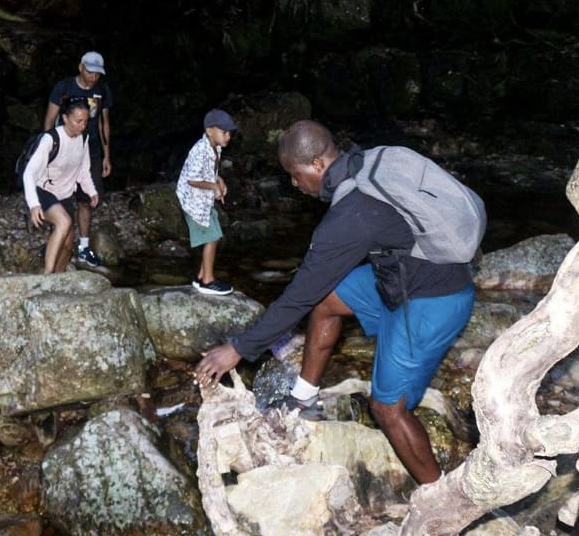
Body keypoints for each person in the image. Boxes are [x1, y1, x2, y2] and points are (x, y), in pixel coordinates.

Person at [193, 119, 476, 484]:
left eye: (294, 175)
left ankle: (440, 499)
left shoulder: (350, 217)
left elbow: (297, 298)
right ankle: (304, 397)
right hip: (406, 272)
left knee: (387, 408)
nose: (294, 184)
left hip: (431, 299)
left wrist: (238, 348)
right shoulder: (368, 163)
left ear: (316, 165)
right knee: (328, 299)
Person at [43, 51, 113, 271]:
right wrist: (47, 151)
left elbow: (104, 123)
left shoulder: (101, 91)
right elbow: (49, 119)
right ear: (81, 67)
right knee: (57, 196)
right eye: (90, 71)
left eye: (97, 74)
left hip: (90, 152)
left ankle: (83, 248)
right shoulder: (63, 88)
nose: (93, 77)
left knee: (86, 200)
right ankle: (57, 238)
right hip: (63, 151)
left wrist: (106, 155)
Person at [23, 96, 99, 273]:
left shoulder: (83, 138)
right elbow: (29, 173)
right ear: (65, 118)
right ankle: (47, 276)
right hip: (43, 191)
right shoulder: (51, 139)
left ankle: (59, 276)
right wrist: (34, 205)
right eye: (78, 121)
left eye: (86, 121)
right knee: (63, 223)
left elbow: (83, 170)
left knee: (68, 243)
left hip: (64, 194)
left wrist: (91, 191)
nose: (83, 125)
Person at [176, 109, 238, 296]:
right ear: (210, 130)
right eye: (224, 132)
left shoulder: (215, 148)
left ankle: (201, 276)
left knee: (215, 235)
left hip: (203, 201)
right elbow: (193, 179)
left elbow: (211, 171)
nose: (228, 136)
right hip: (193, 202)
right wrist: (213, 187)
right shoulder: (200, 150)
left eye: (229, 133)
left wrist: (219, 181)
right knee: (211, 237)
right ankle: (208, 281)